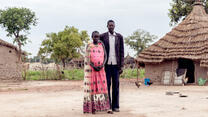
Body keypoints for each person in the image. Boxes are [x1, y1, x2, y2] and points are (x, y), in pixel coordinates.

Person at [83, 31, 112, 114]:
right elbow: (87, 58)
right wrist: (94, 66)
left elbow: (105, 55)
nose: (97, 38)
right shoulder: (89, 46)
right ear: (92, 37)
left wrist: (102, 64)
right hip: (92, 70)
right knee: (93, 88)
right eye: (95, 37)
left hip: (101, 70)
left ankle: (107, 107)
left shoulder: (101, 45)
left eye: (98, 37)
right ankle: (93, 108)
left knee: (104, 87)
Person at [100, 20, 124, 112]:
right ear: (107, 26)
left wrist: (121, 66)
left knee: (116, 86)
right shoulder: (102, 36)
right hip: (106, 65)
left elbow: (122, 52)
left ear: (114, 26)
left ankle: (115, 106)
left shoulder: (119, 37)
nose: (111, 27)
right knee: (107, 86)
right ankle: (108, 106)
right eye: (109, 25)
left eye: (112, 25)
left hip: (116, 65)